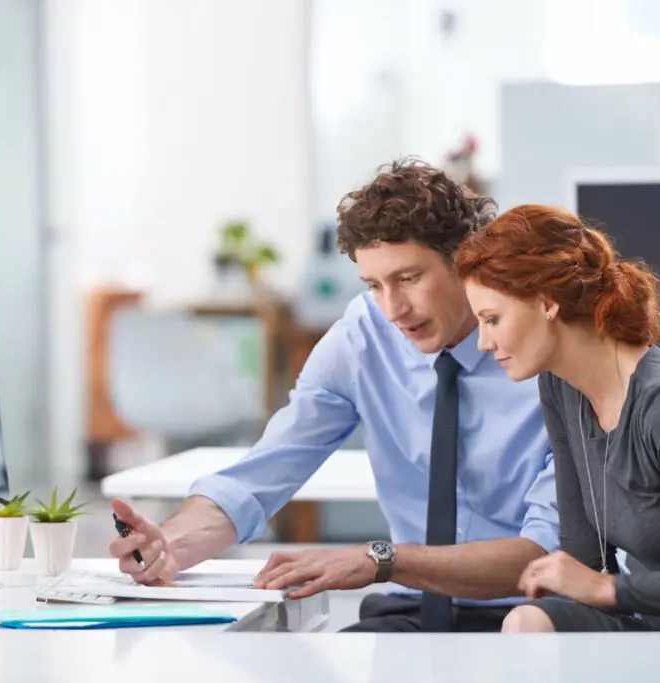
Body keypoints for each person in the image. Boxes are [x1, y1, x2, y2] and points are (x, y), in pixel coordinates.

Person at [109, 160, 559, 633]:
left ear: (467, 261)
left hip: (530, 612)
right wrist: (171, 545)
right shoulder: (363, 335)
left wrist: (378, 559)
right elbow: (262, 472)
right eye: (374, 285)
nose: (393, 309)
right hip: (411, 608)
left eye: (408, 279)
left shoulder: (542, 354)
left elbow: (544, 552)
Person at [453, 204, 660, 632]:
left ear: (547, 304)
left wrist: (609, 591)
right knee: (527, 623)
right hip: (656, 622)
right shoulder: (560, 387)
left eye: (492, 319)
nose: (484, 342)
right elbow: (584, 557)